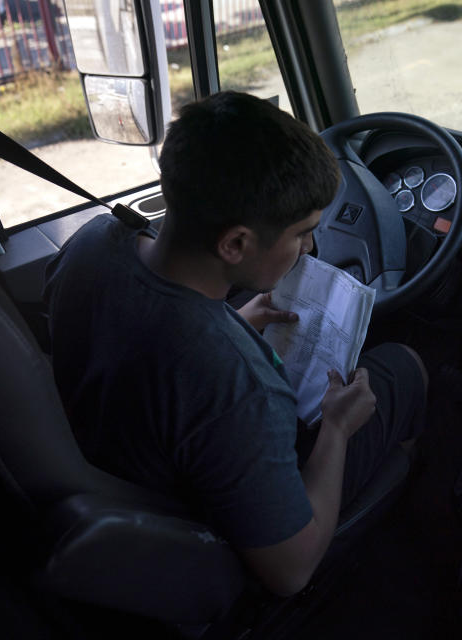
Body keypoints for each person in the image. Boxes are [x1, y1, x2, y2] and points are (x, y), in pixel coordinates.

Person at [44, 91, 426, 597]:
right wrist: (335, 428)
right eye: (303, 233)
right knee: (404, 368)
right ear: (235, 244)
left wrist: (233, 319)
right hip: (209, 552)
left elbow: (132, 331)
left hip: (124, 461)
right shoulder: (238, 388)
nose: (311, 247)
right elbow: (289, 572)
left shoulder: (90, 242)